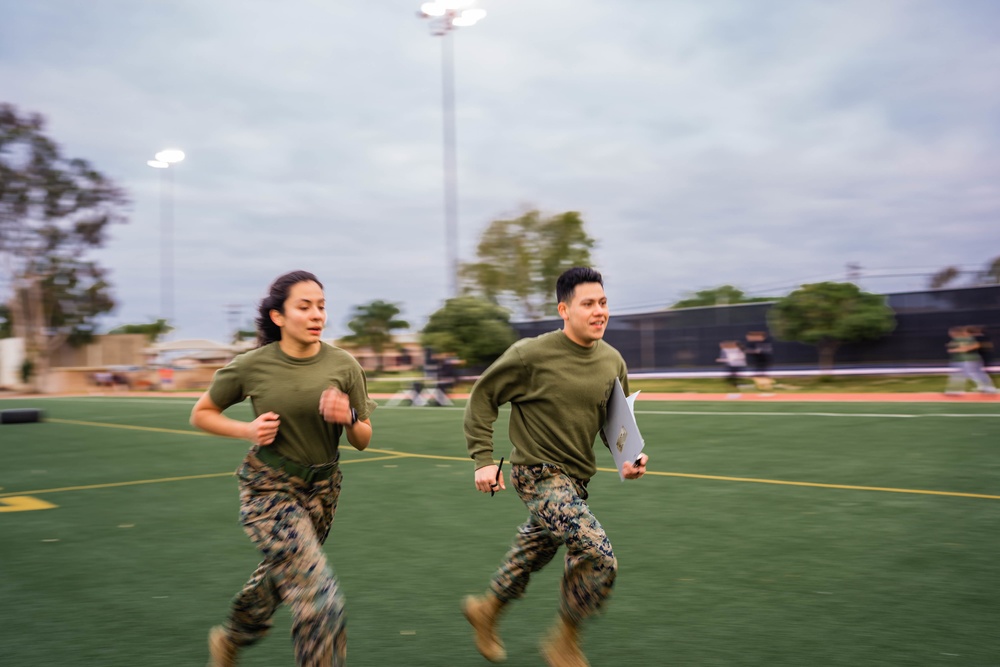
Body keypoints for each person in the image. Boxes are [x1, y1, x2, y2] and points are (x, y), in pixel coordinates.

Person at [461, 267, 649, 667]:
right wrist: (481, 459)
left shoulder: (612, 361)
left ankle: (487, 609)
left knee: (534, 550)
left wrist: (629, 459)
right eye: (588, 304)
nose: (599, 311)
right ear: (564, 310)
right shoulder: (531, 355)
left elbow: (616, 425)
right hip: (537, 474)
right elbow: (483, 397)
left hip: (576, 481)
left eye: (603, 303)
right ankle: (564, 641)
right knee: (598, 555)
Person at [190, 270, 377, 667]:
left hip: (323, 491)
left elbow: (363, 438)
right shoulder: (252, 366)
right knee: (320, 599)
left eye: (322, 307)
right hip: (269, 489)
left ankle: (232, 638)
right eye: (304, 306)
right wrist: (247, 428)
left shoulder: (344, 365)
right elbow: (202, 413)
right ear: (279, 316)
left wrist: (350, 416)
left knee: (279, 581)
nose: (316, 316)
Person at [944, 325, 997, 395]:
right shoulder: (955, 340)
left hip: (970, 360)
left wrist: (960, 349)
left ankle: (988, 388)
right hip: (960, 360)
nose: (950, 334)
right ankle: (955, 390)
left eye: (952, 332)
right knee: (959, 374)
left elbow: (975, 345)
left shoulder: (967, 338)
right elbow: (950, 349)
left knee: (974, 374)